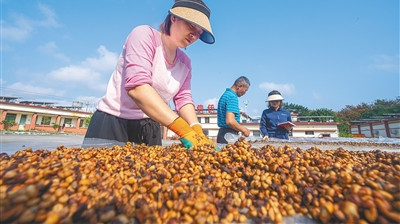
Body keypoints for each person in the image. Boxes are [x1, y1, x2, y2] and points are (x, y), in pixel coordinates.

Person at [82, 0, 216, 149]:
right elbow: (138, 88)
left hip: (150, 127)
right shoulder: (144, 35)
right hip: (114, 122)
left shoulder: (185, 63)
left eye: (199, 33)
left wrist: (195, 128)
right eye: (191, 26)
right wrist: (183, 130)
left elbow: (183, 99)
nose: (194, 36)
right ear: (174, 18)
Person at [216, 76, 251, 144]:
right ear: (239, 86)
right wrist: (244, 130)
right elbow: (230, 121)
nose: (245, 93)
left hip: (222, 134)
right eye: (245, 90)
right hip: (228, 135)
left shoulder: (226, 95)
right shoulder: (232, 97)